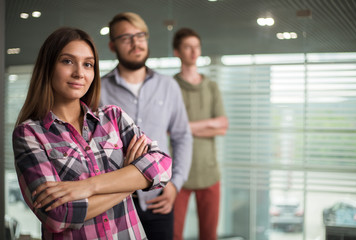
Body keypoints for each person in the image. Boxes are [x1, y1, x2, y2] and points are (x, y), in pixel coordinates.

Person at [12, 27, 172, 240]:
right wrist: (129, 179)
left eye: (88, 64)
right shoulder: (29, 134)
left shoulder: (113, 118)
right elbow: (58, 216)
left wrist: (86, 187)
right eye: (67, 61)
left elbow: (162, 166)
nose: (79, 73)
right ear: (48, 66)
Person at [100, 12, 193, 240]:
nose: (135, 43)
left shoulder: (168, 85)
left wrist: (176, 184)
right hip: (115, 202)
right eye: (126, 37)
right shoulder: (99, 90)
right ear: (113, 45)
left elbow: (182, 136)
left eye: (140, 35)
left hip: (159, 199)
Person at [172, 28, 229, 240]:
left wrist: (184, 127)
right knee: (173, 234)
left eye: (197, 46)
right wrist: (208, 125)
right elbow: (168, 128)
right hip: (179, 173)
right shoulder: (170, 86)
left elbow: (222, 126)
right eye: (188, 47)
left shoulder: (211, 86)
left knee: (209, 235)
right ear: (177, 52)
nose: (194, 51)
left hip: (210, 172)